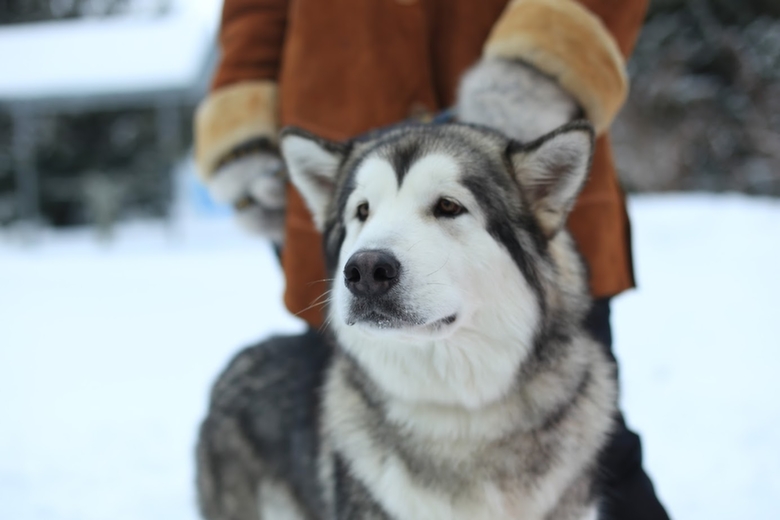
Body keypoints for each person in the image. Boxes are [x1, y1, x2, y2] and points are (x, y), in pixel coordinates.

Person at [194, 1, 670, 518]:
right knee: (361, 425)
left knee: (596, 446)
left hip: (523, 126)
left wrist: (544, 63)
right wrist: (243, 125)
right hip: (334, 117)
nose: (366, 263)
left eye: (445, 207)